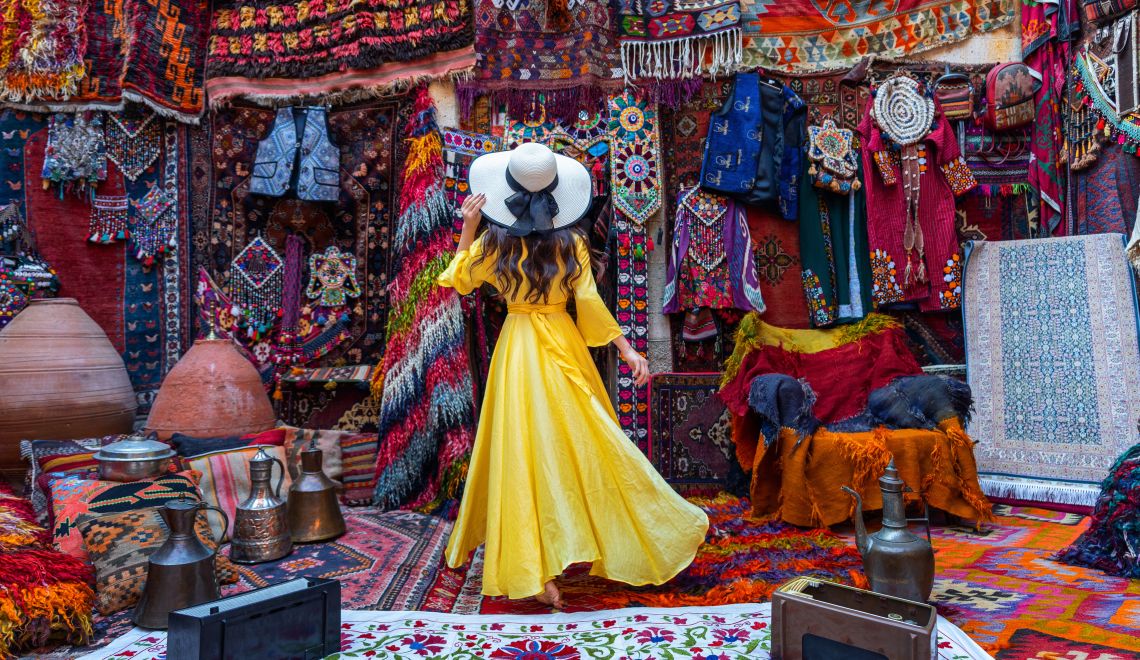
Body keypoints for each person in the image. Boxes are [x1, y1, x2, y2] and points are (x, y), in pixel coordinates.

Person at [438, 142, 709, 608]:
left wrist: (468, 226)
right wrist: (627, 351)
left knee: (523, 453)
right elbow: (589, 302)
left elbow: (459, 279)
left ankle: (537, 567)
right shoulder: (574, 242)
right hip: (562, 344)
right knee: (587, 441)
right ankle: (647, 530)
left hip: (519, 350)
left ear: (505, 191)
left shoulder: (492, 242)